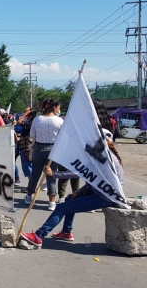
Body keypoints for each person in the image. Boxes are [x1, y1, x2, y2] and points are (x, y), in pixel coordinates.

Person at [20, 101, 122, 247]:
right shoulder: (102, 154)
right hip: (102, 192)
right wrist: (78, 193)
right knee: (69, 199)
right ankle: (66, 232)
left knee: (61, 207)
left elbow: (78, 173)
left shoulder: (101, 158)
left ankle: (38, 236)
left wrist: (53, 174)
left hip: (106, 196)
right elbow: (92, 180)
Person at [24, 99, 63, 211]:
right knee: (51, 174)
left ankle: (29, 196)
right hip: (53, 149)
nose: (58, 110)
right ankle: (51, 202)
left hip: (38, 148)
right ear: (54, 107)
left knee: (35, 173)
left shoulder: (37, 119)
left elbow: (32, 135)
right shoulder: (59, 121)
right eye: (58, 108)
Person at [15, 108, 37, 188]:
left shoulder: (30, 123)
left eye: (27, 115)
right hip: (28, 146)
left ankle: (31, 186)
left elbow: (19, 122)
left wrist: (25, 114)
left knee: (27, 166)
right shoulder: (34, 123)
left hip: (26, 146)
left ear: (30, 116)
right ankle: (31, 185)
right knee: (29, 166)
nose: (26, 117)